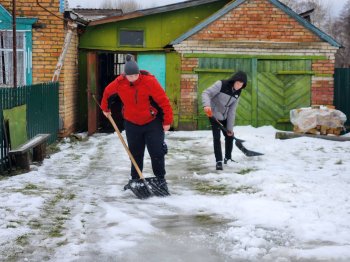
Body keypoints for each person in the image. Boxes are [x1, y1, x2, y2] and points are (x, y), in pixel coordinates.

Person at [101, 54, 173, 189]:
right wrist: (105, 108)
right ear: (125, 75)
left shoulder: (149, 81)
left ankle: (161, 180)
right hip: (132, 123)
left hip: (152, 122)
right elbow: (107, 92)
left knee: (156, 152)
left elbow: (164, 101)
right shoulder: (119, 82)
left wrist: (167, 121)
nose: (134, 78)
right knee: (135, 153)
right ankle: (135, 180)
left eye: (136, 75)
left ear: (139, 73)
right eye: (130, 76)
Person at [202, 71, 247, 170]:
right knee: (217, 137)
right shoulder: (221, 84)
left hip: (224, 116)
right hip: (212, 113)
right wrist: (206, 105)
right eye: (238, 83)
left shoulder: (238, 92)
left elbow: (232, 110)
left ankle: (228, 158)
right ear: (234, 80)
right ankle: (219, 161)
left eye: (241, 84)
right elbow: (206, 93)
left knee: (230, 136)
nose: (239, 86)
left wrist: (230, 128)